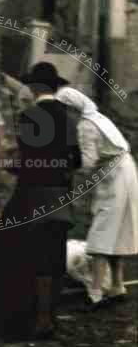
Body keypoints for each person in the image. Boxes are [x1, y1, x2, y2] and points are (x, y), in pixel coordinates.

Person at [0, 62, 81, 339]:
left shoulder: (30, 116)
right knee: (53, 257)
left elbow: (26, 162)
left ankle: (24, 317)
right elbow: (76, 160)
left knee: (17, 253)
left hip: (32, 195)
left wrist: (12, 167)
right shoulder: (68, 117)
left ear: (36, 88)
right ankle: (48, 315)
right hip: (60, 195)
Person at [56, 86, 138, 307]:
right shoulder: (98, 118)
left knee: (102, 232)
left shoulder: (86, 126)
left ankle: (95, 293)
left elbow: (89, 161)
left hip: (114, 176)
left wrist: (65, 167)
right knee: (116, 232)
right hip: (124, 171)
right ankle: (117, 285)